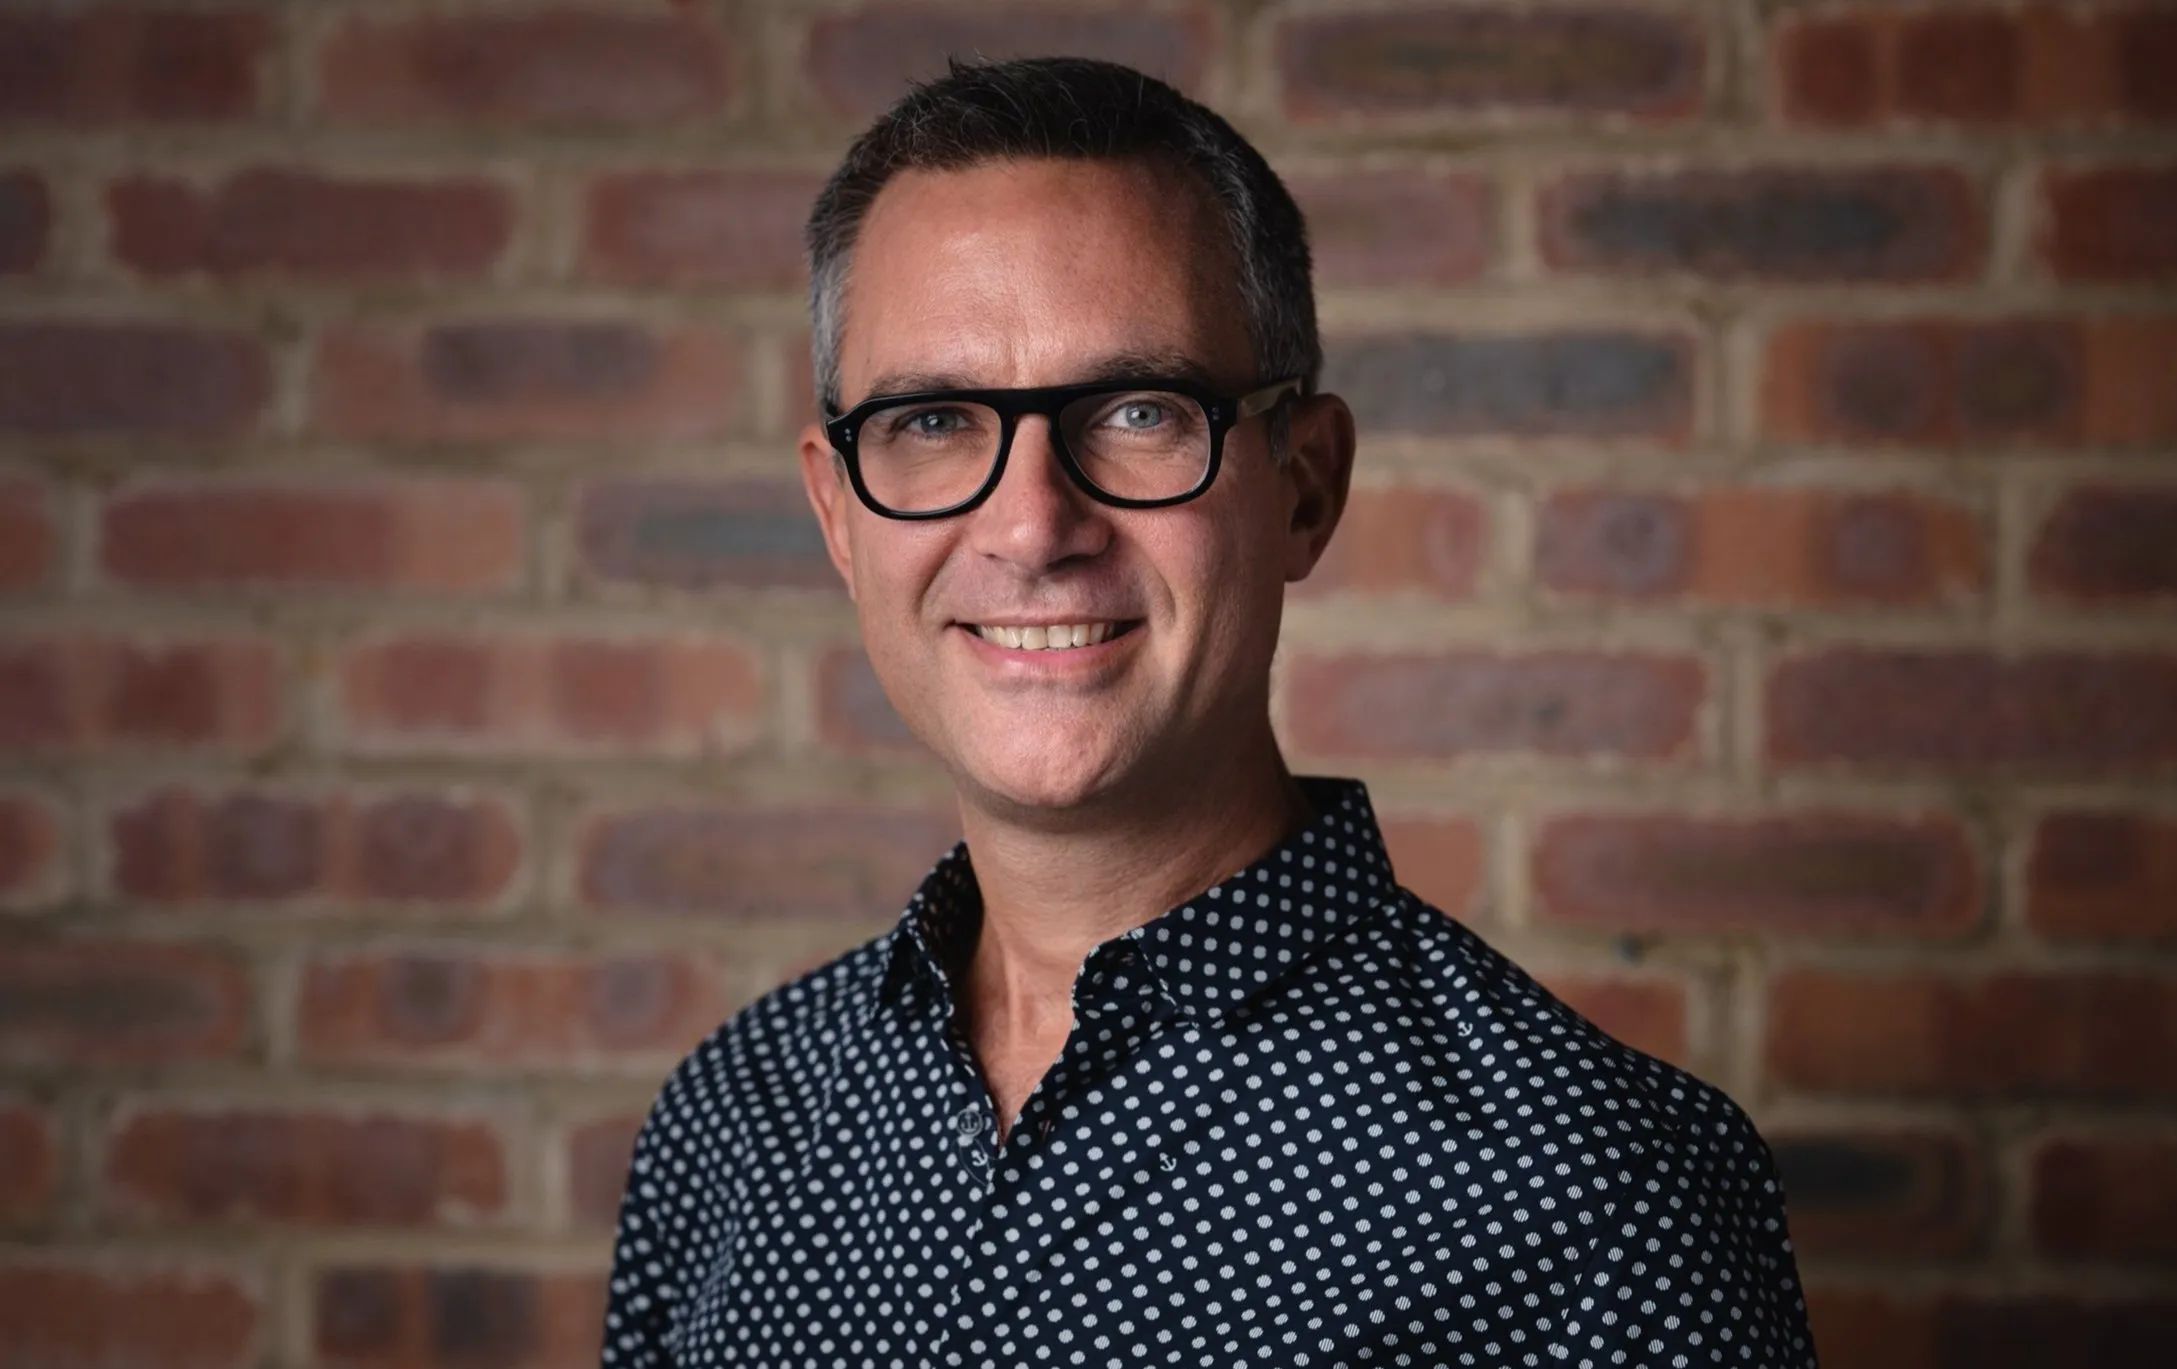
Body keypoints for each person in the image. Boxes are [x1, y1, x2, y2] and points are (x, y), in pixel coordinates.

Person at [602, 57, 1815, 1368]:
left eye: (1137, 411)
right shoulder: (732, 1121)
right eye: (936, 420)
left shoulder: (1593, 1199)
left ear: (1304, 486)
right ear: (838, 515)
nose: (1031, 527)